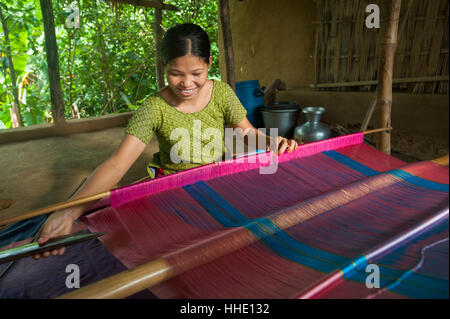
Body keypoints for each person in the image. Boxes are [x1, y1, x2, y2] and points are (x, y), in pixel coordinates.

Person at [33, 23, 298, 259]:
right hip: (170, 188)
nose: (186, 83)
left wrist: (272, 142)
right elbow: (117, 165)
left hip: (215, 180)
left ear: (209, 62)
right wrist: (68, 213)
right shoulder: (153, 108)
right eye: (175, 74)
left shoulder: (222, 94)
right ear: (164, 67)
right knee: (170, 248)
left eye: (196, 72)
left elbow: (247, 133)